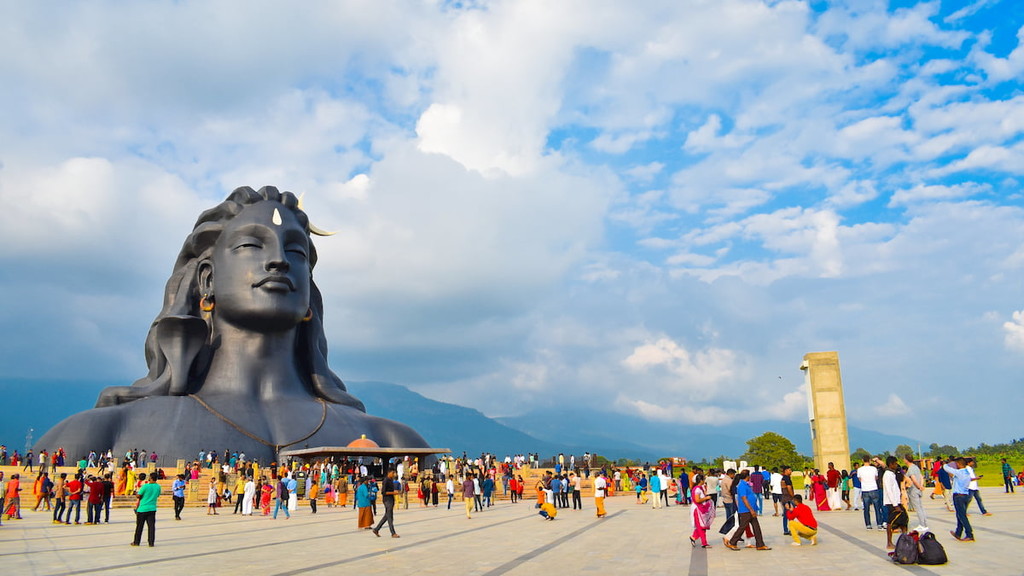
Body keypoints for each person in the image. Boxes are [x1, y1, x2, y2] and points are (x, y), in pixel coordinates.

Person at [35, 186, 432, 463]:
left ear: (309, 291)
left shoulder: (391, 440)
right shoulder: (95, 435)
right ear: (207, 279)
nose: (278, 260)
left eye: (295, 250)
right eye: (251, 245)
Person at [723, 470, 770, 551]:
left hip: (751, 509)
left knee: (756, 527)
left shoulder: (746, 485)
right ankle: (732, 542)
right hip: (746, 510)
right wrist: (751, 509)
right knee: (742, 527)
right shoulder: (742, 486)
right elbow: (744, 499)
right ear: (747, 476)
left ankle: (760, 544)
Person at [944, 457, 974, 542]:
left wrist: (946, 463)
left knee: (962, 516)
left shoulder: (959, 472)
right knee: (960, 515)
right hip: (965, 495)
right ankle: (958, 532)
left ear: (959, 464)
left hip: (958, 496)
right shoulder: (967, 472)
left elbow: (946, 468)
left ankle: (969, 534)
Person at [131, 473, 160, 547]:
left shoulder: (146, 486)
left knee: (139, 526)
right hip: (152, 508)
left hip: (143, 509)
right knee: (151, 526)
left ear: (150, 478)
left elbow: (139, 495)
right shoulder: (158, 486)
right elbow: (157, 495)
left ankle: (136, 542)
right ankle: (151, 542)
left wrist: (136, 494)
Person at [882, 456, 906, 550]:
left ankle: (905, 540)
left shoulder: (892, 474)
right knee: (890, 522)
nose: (896, 465)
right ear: (891, 464)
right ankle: (889, 542)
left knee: (904, 520)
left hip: (897, 501)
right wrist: (895, 505)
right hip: (892, 503)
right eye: (895, 463)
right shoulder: (887, 475)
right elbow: (889, 490)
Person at [689, 474, 715, 548]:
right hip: (697, 509)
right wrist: (706, 498)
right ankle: (704, 543)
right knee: (701, 526)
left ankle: (693, 537)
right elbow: (697, 500)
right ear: (700, 480)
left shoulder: (700, 488)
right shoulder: (697, 489)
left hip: (701, 508)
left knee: (702, 526)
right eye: (703, 479)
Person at [372, 469, 400, 538]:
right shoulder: (386, 480)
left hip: (391, 499)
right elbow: (383, 492)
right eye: (393, 473)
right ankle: (393, 533)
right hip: (387, 500)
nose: (394, 475)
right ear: (389, 473)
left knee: (387, 516)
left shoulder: (391, 480)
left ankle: (376, 529)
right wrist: (393, 493)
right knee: (389, 516)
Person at [903, 455, 928, 530]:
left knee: (918, 508)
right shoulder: (916, 467)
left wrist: (918, 486)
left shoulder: (910, 469)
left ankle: (922, 525)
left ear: (907, 460)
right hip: (918, 490)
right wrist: (921, 485)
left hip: (914, 490)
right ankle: (924, 523)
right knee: (921, 507)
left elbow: (913, 479)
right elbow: (921, 477)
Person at [856, 458, 882, 529]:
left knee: (866, 508)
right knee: (877, 508)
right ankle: (879, 524)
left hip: (865, 489)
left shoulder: (860, 469)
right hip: (874, 488)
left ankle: (868, 524)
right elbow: (876, 477)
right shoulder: (873, 469)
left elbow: (860, 479)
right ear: (869, 461)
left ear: (862, 460)